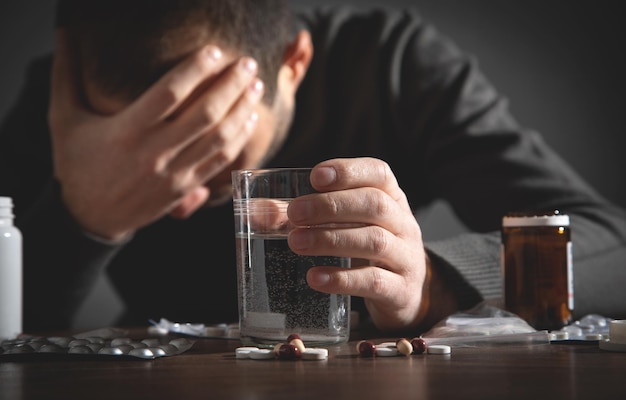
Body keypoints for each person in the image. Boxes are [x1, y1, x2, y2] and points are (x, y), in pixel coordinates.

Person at [1, 0, 625, 333]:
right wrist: (80, 222)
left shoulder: (391, 64)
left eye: (210, 152)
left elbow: (613, 246)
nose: (178, 196)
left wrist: (434, 282)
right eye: (131, 159)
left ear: (294, 63)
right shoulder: (58, 108)